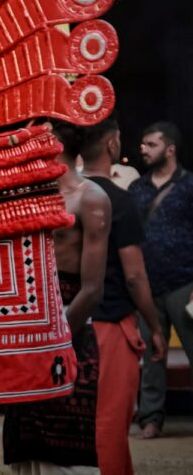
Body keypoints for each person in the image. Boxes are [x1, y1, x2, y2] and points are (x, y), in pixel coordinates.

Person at [4, 121, 111, 473]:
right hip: (27, 330)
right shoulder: (28, 196)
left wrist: (53, 338)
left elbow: (92, 290)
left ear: (51, 144)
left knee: (69, 450)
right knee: (27, 447)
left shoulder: (91, 198)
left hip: (69, 330)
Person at [80, 118, 166, 474]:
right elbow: (134, 275)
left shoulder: (64, 196)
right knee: (110, 424)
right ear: (113, 146)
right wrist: (154, 326)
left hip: (68, 326)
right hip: (110, 327)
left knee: (79, 425)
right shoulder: (118, 200)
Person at [129, 121, 193, 439]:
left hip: (185, 283)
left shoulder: (190, 185)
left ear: (170, 149)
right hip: (147, 285)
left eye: (151, 144)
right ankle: (151, 418)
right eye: (142, 144)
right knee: (152, 356)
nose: (143, 149)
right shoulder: (137, 190)